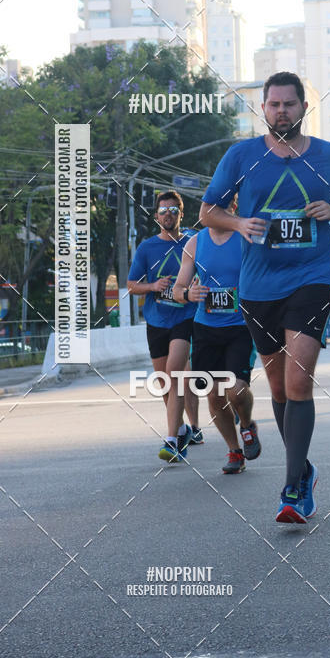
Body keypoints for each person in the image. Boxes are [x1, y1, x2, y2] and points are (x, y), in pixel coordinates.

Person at [199, 71, 330, 522]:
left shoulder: (328, 156)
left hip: (312, 277)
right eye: (273, 104)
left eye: (289, 104)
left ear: (303, 108)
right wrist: (237, 224)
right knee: (277, 388)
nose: (281, 111)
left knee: (298, 383)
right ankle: (304, 469)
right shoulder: (241, 156)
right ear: (264, 109)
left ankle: (291, 490)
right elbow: (207, 210)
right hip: (257, 287)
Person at [172, 201, 260, 474]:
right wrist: (189, 294)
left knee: (235, 389)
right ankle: (234, 451)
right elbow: (177, 289)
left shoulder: (247, 237)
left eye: (223, 205)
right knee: (213, 395)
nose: (215, 211)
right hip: (206, 328)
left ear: (234, 206)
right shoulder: (195, 244)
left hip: (240, 326)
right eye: (210, 207)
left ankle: (246, 425)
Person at [127, 191, 202, 463]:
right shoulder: (147, 248)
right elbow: (132, 285)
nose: (167, 214)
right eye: (162, 210)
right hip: (156, 320)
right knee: (164, 382)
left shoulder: (194, 243)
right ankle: (180, 428)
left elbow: (210, 271)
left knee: (176, 374)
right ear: (156, 216)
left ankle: (173, 439)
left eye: (173, 209)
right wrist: (153, 286)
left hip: (186, 317)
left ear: (181, 214)